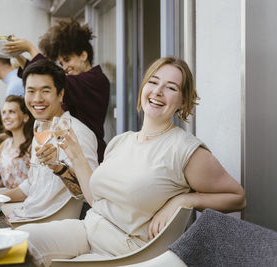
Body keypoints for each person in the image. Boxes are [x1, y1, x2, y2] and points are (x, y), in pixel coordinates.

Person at [17, 57, 246, 267]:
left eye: (171, 87)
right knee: (17, 243)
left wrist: (186, 199)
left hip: (124, 252)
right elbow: (95, 200)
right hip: (88, 229)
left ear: (183, 102)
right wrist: (75, 154)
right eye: (153, 82)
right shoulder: (121, 141)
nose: (158, 91)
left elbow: (237, 198)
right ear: (143, 88)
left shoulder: (184, 149)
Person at [0, 59, 98, 220]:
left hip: (46, 223)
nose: (37, 99)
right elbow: (32, 184)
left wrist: (59, 167)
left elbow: (90, 192)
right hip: (25, 214)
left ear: (60, 94)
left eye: (45, 91)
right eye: (30, 91)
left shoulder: (77, 133)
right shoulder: (40, 127)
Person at [3, 18, 110, 162]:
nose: (64, 67)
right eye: (61, 63)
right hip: (68, 150)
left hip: (87, 154)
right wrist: (17, 55)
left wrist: (30, 48)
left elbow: (52, 77)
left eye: (67, 60)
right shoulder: (79, 81)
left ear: (83, 56)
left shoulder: (95, 80)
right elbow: (43, 76)